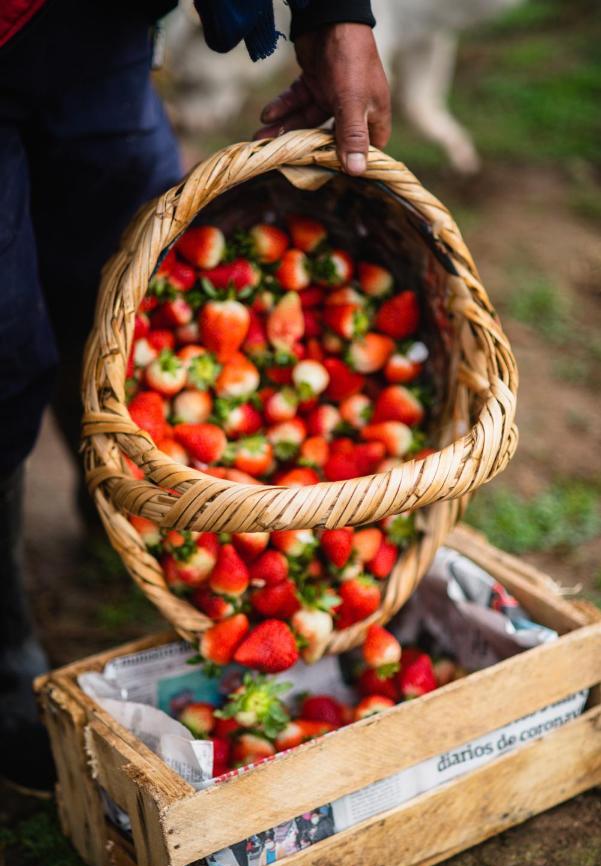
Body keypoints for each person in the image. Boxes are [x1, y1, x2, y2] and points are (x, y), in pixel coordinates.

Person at [0, 0, 390, 791]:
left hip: (90, 23)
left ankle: (122, 510)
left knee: (135, 273)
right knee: (1, 349)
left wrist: (332, 11)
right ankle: (2, 640)